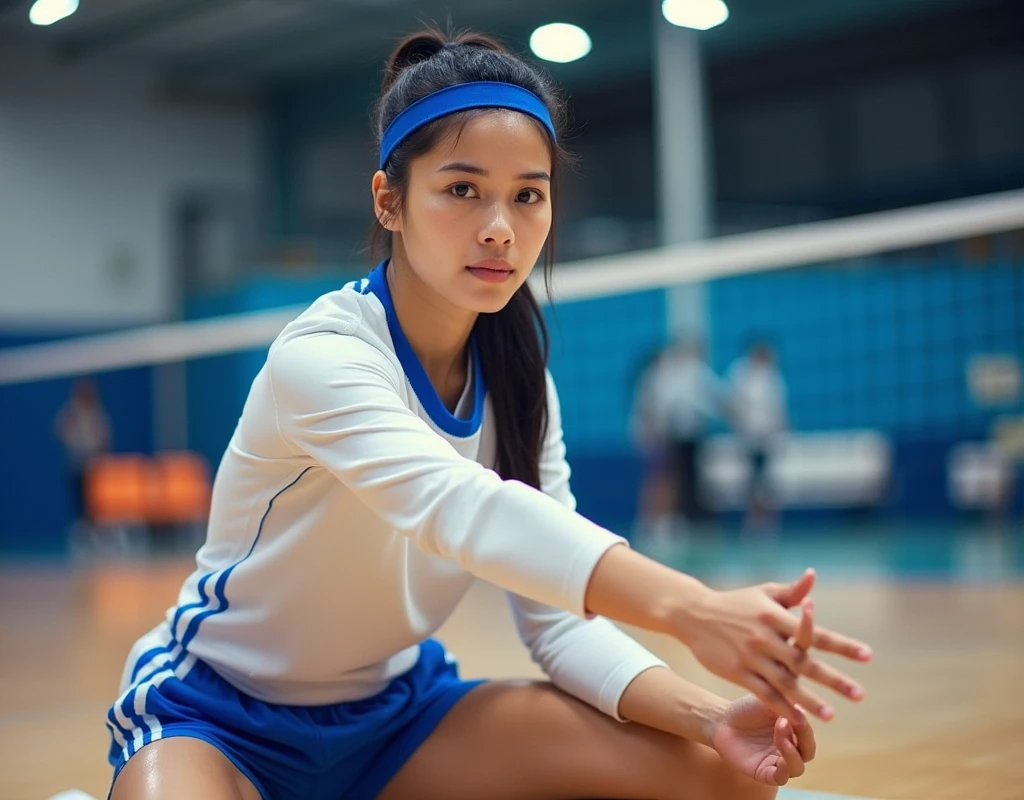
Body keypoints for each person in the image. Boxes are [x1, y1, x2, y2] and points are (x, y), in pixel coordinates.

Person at [105, 29, 871, 800]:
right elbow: (463, 509)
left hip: (396, 721)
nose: (501, 227)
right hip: (217, 719)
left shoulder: (517, 377)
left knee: (728, 776)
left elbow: (560, 622)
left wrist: (711, 718)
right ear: (389, 200)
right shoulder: (323, 358)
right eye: (463, 189)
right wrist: (694, 608)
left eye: (528, 195)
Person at [727, 341, 789, 532]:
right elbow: (733, 404)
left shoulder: (772, 377)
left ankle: (768, 520)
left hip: (768, 437)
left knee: (767, 479)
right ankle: (753, 519)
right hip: (748, 436)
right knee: (751, 480)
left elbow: (778, 409)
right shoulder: (740, 373)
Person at [54, 377, 111, 531]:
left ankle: (97, 526)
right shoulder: (72, 413)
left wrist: (94, 451)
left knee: (95, 498)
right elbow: (60, 429)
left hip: (93, 466)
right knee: (78, 498)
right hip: (76, 464)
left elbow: (103, 438)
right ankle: (82, 526)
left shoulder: (96, 414)